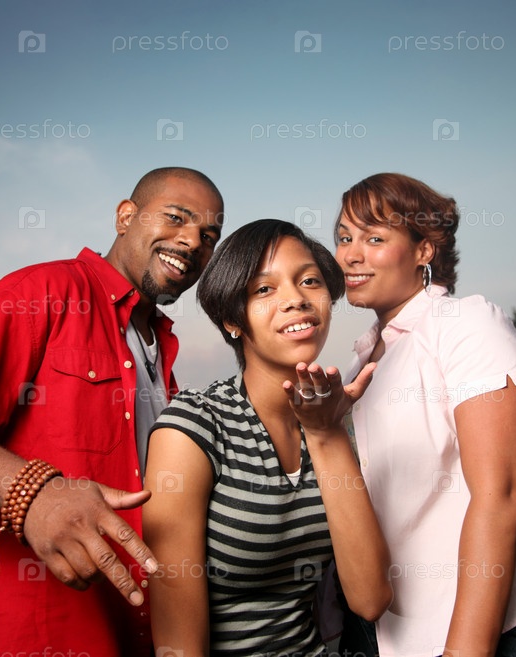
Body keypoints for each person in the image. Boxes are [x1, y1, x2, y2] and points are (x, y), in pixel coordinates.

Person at [0, 167, 224, 657]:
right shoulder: (41, 292)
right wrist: (35, 494)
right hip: (18, 637)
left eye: (209, 236)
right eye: (176, 218)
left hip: (124, 634)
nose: (193, 242)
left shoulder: (162, 352)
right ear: (125, 217)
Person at [334, 173, 516, 656]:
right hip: (386, 631)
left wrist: (465, 651)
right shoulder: (359, 363)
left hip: (496, 632)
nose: (350, 255)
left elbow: (501, 495)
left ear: (424, 250)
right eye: (344, 237)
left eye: (374, 238)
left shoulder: (465, 322)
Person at [142, 219, 393, 657]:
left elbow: (370, 599)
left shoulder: (331, 423)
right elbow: (177, 645)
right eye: (264, 289)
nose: (296, 299)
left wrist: (325, 433)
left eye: (309, 281)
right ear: (232, 320)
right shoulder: (194, 427)